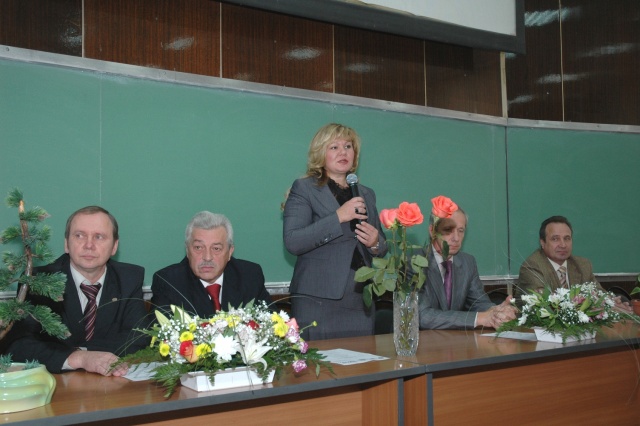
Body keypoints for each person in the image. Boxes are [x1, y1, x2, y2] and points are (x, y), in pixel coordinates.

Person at [6, 206, 149, 376]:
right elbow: (20, 346)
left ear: (114, 247)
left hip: (111, 382)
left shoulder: (129, 278)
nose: (89, 245)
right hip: (59, 384)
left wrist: (85, 352)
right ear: (66, 244)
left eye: (99, 237)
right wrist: (79, 358)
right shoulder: (39, 281)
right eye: (79, 235)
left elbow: (139, 338)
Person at [283, 123, 388, 340]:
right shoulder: (305, 188)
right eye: (334, 147)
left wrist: (375, 243)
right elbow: (293, 241)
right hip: (318, 299)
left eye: (348, 147)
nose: (343, 152)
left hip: (360, 297)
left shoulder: (366, 193)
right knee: (321, 360)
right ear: (320, 153)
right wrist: (338, 217)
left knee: (362, 360)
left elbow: (381, 244)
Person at [150, 211, 271, 318]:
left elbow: (272, 324)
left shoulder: (250, 276)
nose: (207, 257)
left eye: (216, 248)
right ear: (187, 250)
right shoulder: (168, 282)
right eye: (198, 247)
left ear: (230, 252)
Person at [418, 203, 517, 330]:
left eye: (460, 231)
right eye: (448, 230)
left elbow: (479, 302)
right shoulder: (414, 262)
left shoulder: (467, 262)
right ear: (432, 231)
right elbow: (422, 316)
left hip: (457, 339)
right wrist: (479, 318)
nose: (456, 238)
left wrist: (496, 312)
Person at [518, 215, 633, 313]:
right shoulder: (531, 266)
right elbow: (546, 305)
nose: (563, 245)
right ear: (542, 243)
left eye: (567, 238)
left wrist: (611, 302)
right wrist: (597, 306)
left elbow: (599, 294)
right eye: (555, 239)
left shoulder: (583, 265)